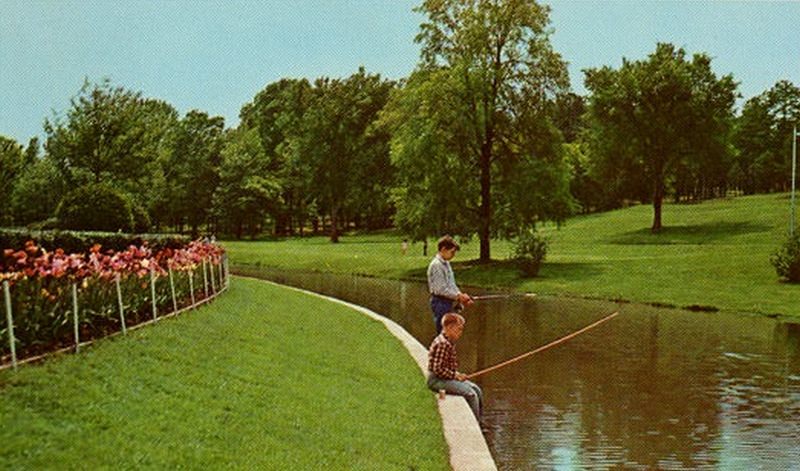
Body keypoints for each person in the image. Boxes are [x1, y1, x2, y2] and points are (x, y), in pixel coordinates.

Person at [427, 313, 483, 419]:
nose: (460, 333)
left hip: (444, 378)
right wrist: (455, 376)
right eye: (459, 329)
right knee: (471, 394)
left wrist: (457, 374)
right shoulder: (443, 344)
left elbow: (444, 368)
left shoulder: (447, 342)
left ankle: (480, 420)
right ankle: (474, 424)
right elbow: (437, 369)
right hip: (436, 381)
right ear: (449, 328)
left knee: (477, 389)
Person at [427, 235, 473, 333]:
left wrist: (461, 297)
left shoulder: (446, 264)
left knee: (451, 332)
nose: (454, 255)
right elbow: (440, 289)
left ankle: (448, 348)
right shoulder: (436, 265)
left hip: (448, 302)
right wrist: (458, 296)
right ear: (443, 249)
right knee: (443, 332)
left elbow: (451, 284)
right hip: (440, 303)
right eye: (452, 252)